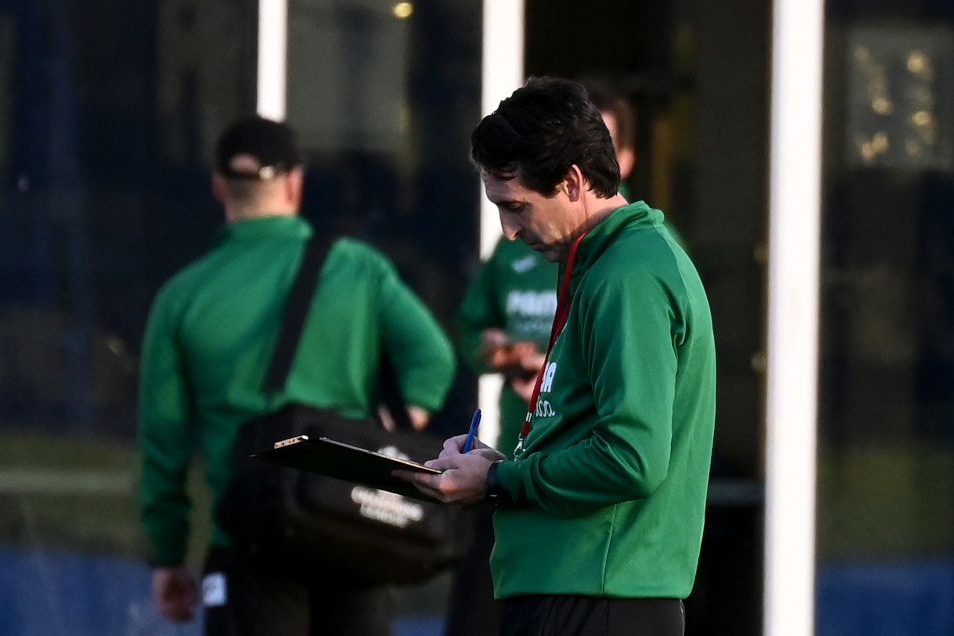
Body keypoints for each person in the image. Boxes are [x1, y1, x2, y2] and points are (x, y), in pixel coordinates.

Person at [397, 77, 716, 636]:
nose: (509, 232)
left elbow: (631, 458)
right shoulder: (606, 263)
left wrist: (499, 484)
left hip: (598, 594)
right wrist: (498, 468)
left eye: (516, 206)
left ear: (572, 181)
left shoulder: (629, 274)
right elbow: (590, 436)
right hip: (580, 588)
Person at [138, 115, 456, 636]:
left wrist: (168, 556)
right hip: (352, 524)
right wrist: (387, 427)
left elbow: (163, 445)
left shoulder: (182, 297)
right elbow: (433, 359)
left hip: (249, 535)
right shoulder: (357, 269)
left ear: (219, 187)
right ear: (294, 183)